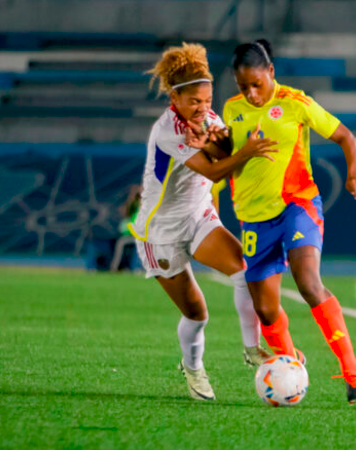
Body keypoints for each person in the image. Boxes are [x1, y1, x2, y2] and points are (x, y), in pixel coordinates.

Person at [186, 39, 356, 404]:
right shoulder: (232, 109)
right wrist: (207, 146)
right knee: (266, 309)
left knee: (307, 281)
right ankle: (291, 365)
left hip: (296, 205)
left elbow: (346, 137)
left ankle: (353, 373)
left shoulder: (295, 102)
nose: (252, 94)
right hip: (254, 219)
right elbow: (226, 158)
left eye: (257, 84)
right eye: (244, 87)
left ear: (270, 73)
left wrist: (354, 174)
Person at [131, 43, 279, 401]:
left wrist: (221, 141)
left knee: (245, 271)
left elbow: (221, 154)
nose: (203, 108)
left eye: (208, 99)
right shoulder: (167, 132)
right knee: (197, 313)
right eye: (194, 101)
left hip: (197, 215)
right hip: (160, 233)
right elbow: (215, 171)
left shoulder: (209, 120)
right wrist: (242, 152)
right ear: (175, 99)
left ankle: (251, 348)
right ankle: (194, 368)